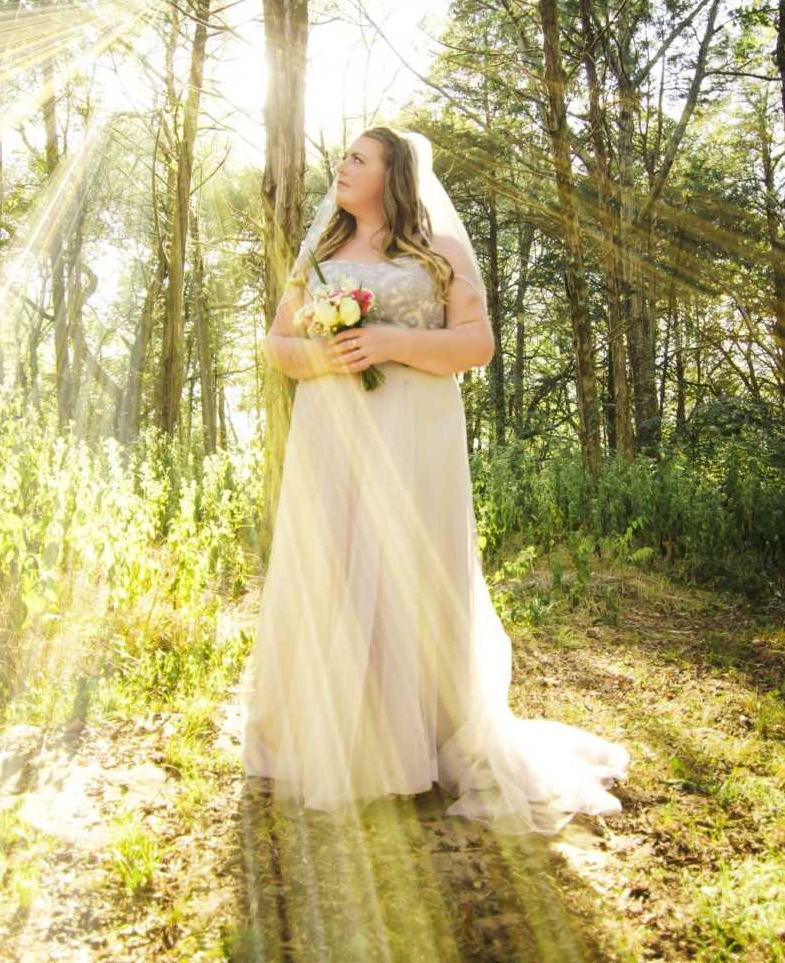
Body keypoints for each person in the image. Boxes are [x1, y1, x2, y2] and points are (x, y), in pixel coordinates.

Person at [241, 126, 630, 835]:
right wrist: (329, 357)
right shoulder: (320, 252)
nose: (342, 167)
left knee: (408, 572)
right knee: (333, 567)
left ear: (395, 174)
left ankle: (417, 739)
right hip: (333, 439)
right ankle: (331, 740)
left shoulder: (440, 252)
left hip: (415, 440)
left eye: (358, 158)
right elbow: (278, 345)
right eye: (343, 158)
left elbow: (475, 345)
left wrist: (387, 341)